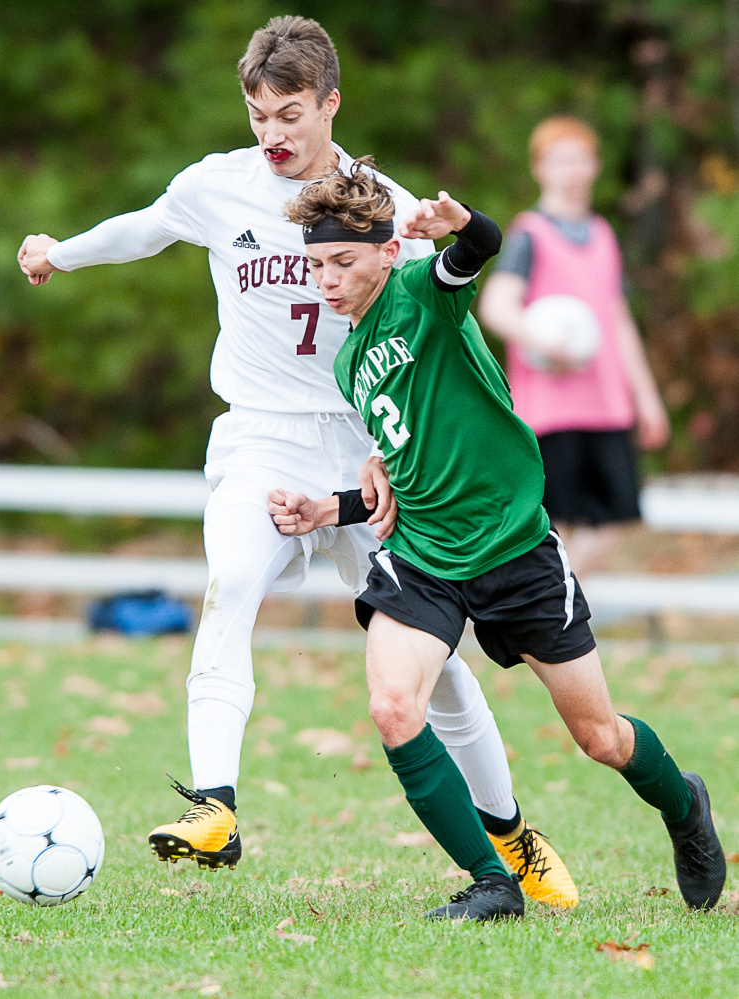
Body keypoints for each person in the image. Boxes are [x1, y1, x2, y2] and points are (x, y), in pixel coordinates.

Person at [16, 16, 576, 906]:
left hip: (367, 452)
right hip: (259, 437)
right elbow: (147, 228)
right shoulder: (217, 188)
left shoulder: (382, 204)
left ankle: (510, 835)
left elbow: (442, 329)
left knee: (434, 661)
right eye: (256, 114)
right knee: (227, 586)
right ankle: (215, 806)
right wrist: (60, 253)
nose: (270, 134)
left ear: (329, 105)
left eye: (288, 114)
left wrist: (418, 449)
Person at [269, 165, 725, 921]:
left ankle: (683, 807)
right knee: (392, 706)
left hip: (514, 551)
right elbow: (407, 475)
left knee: (601, 737)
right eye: (316, 265)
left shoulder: (423, 295)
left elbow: (480, 245)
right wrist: (331, 506)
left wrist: (460, 221)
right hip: (425, 560)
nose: (327, 280)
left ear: (386, 253)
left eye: (342, 262)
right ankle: (491, 880)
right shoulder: (348, 362)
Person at [478, 116, 670, 577]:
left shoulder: (603, 234)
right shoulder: (530, 234)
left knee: (620, 517)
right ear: (540, 168)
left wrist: (646, 398)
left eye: (580, 160)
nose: (572, 170)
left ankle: (559, 590)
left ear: (594, 167)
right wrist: (544, 340)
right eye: (560, 161)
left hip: (605, 405)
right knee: (554, 523)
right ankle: (549, 606)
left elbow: (618, 321)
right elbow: (497, 306)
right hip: (550, 410)